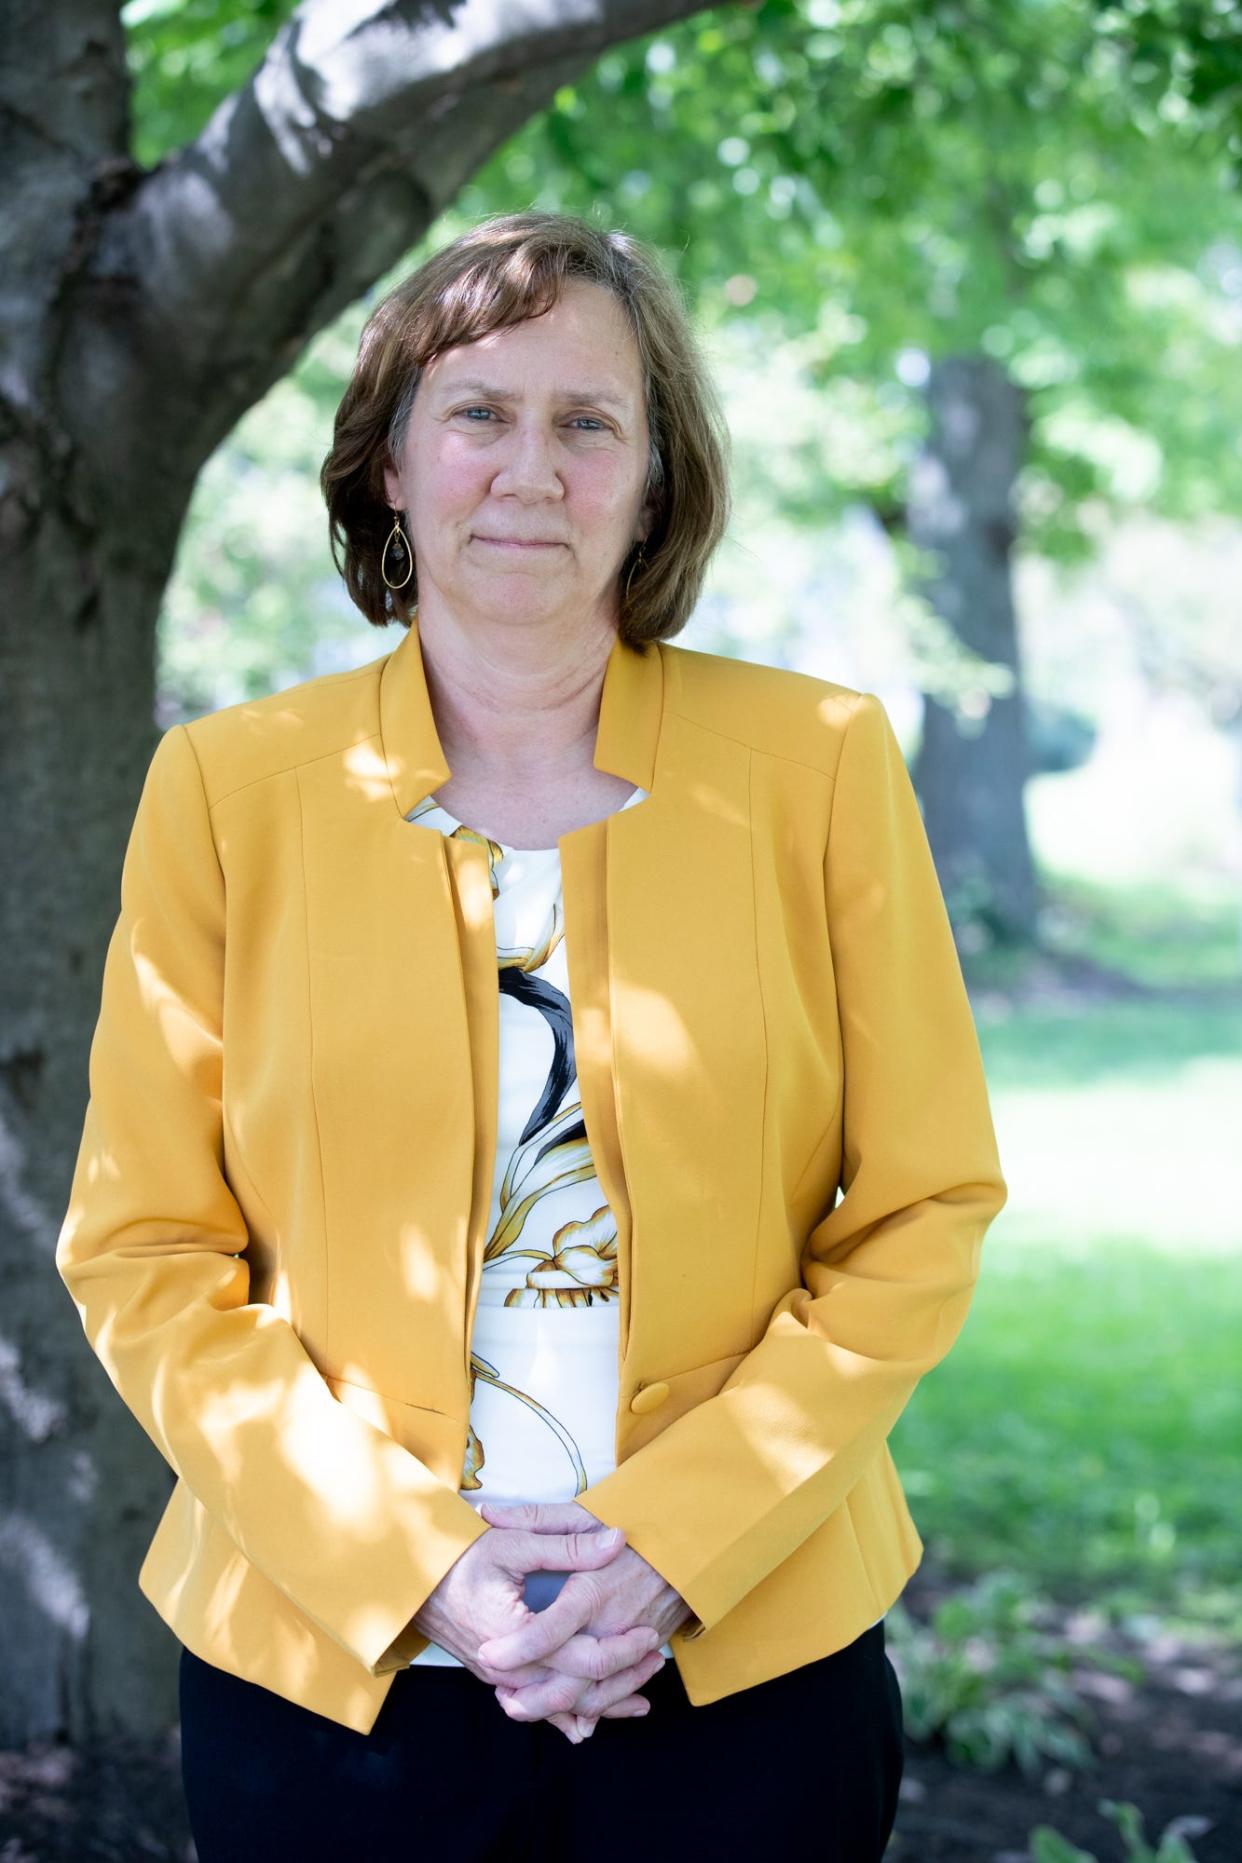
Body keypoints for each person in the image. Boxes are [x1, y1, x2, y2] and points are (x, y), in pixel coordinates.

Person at [55, 208, 1007, 1861]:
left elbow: (924, 1208)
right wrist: (415, 1564)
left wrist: (673, 1541)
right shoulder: (226, 791)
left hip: (740, 1665)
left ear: (654, 481)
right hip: (331, 1671)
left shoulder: (820, 766)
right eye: (478, 413)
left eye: (590, 423)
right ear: (391, 469)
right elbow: (143, 1249)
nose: (531, 467)